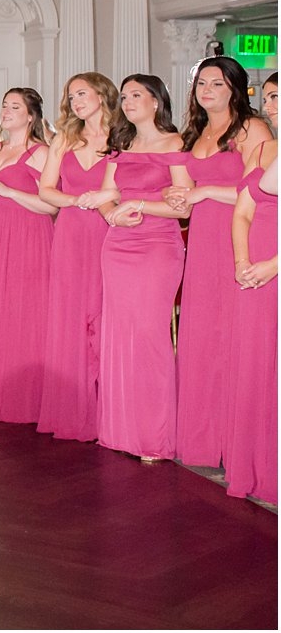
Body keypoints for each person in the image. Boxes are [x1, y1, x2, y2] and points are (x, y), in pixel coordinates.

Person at [162, 56, 268, 469]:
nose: (207, 90)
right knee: (202, 332)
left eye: (217, 84)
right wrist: (180, 196)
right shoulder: (196, 131)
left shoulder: (251, 129)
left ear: (235, 88)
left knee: (232, 335)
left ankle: (235, 438)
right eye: (202, 84)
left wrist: (203, 193)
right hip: (203, 238)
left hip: (238, 234)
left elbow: (257, 192)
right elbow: (188, 193)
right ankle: (204, 436)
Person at [86, 74, 187, 461]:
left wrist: (140, 207)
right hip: (119, 247)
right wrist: (113, 216)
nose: (127, 101)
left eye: (135, 95)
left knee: (149, 336)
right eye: (124, 95)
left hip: (159, 246)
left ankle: (154, 437)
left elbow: (186, 207)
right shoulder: (121, 145)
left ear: (157, 101)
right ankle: (121, 430)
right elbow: (107, 198)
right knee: (119, 336)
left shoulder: (176, 143)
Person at [34, 72, 118, 443]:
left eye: (82, 93)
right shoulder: (65, 138)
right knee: (69, 317)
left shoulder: (122, 137)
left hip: (107, 233)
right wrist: (75, 200)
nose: (75, 101)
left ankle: (109, 410)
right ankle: (72, 408)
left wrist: (98, 202)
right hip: (69, 233)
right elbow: (46, 190)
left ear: (102, 94)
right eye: (71, 95)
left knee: (104, 316)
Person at [0, 87, 56, 424]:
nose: (5, 111)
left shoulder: (41, 152)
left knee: (27, 312)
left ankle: (28, 398)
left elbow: (50, 206)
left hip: (30, 238)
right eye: (4, 105)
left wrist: (6, 190)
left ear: (30, 115)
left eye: (14, 106)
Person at [226, 71, 277, 503]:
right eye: (269, 96)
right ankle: (256, 468)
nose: (273, 105)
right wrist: (243, 261)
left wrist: (272, 266)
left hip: (275, 267)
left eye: (280, 97)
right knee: (254, 364)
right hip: (252, 269)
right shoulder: (262, 147)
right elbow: (242, 210)